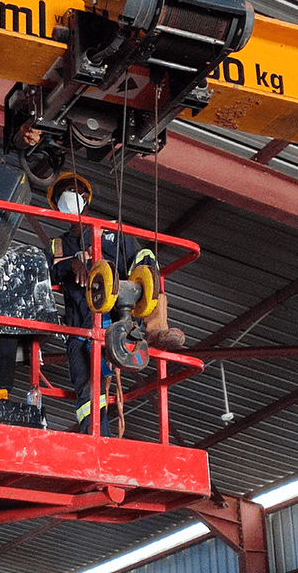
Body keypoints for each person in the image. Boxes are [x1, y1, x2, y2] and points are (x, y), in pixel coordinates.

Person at [45, 172, 184, 435]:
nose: (68, 195)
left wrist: (144, 275)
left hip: (113, 320)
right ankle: (99, 441)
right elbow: (45, 271)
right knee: (87, 389)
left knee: (153, 286)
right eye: (63, 192)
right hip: (79, 328)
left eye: (73, 190)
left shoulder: (111, 231)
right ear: (56, 204)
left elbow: (141, 255)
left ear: (86, 199)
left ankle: (155, 326)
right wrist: (68, 264)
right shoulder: (58, 244)